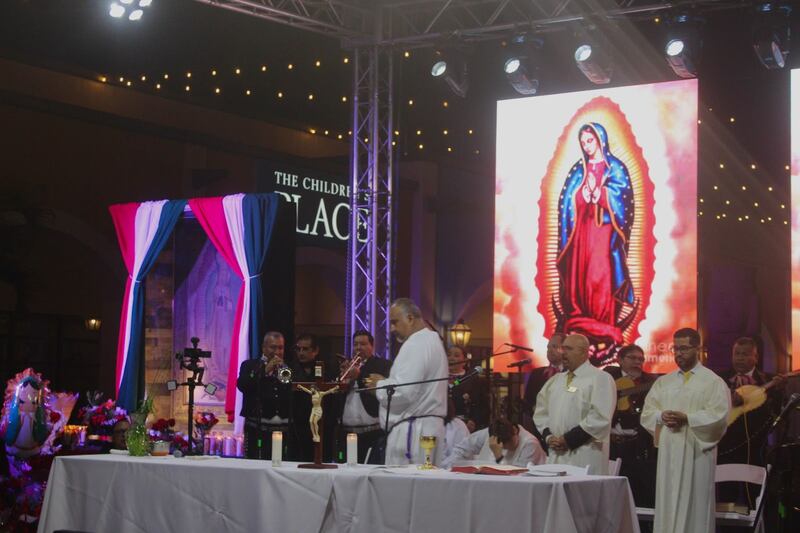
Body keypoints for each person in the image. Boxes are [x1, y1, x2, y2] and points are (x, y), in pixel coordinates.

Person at [640, 327, 730, 533]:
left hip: (696, 453)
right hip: (669, 451)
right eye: (675, 348)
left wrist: (688, 418)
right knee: (667, 502)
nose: (679, 353)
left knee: (696, 506)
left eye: (684, 348)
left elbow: (719, 417)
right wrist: (661, 417)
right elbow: (647, 413)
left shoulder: (713, 382)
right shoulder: (664, 382)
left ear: (697, 348)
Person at [556, 123, 634, 355]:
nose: (587, 146)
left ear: (600, 140)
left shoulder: (616, 168)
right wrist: (582, 195)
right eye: (583, 142)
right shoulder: (577, 170)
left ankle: (601, 321)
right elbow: (566, 200)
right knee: (579, 276)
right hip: (581, 232)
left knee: (600, 276)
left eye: (590, 141)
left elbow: (624, 198)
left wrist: (601, 194)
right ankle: (580, 319)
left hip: (605, 233)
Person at [365, 298, 448, 466]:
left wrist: (379, 386)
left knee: (404, 489)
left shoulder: (416, 343)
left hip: (414, 432)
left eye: (395, 322)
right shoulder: (432, 341)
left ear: (410, 318)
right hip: (427, 427)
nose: (392, 329)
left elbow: (405, 391)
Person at [716, 337, 785, 509]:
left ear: (756, 357)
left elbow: (776, 414)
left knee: (754, 499)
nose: (739, 358)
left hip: (756, 449)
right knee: (725, 500)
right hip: (726, 448)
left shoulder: (768, 381)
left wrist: (778, 391)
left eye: (745, 354)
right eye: (736, 354)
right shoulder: (719, 379)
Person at [533, 333, 616, 474]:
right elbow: (541, 412)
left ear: (584, 352)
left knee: (583, 495)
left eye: (569, 349)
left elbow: (600, 417)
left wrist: (568, 440)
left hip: (584, 454)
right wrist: (549, 437)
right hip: (556, 455)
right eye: (563, 348)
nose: (563, 353)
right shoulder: (555, 380)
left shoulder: (600, 378)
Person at [604, 344, 658, 508]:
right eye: (632, 358)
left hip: (637, 446)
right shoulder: (608, 376)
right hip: (611, 445)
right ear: (620, 360)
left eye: (641, 359)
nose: (637, 362)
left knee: (640, 493)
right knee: (611, 494)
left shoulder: (650, 382)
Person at [338, 329, 392, 464]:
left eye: (362, 344)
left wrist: (359, 376)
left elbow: (377, 389)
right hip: (347, 432)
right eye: (355, 344)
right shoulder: (346, 365)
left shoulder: (382, 365)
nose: (358, 348)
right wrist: (343, 381)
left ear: (372, 346)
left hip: (372, 432)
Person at [236, 331, 292, 460]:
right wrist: (264, 371)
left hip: (282, 428)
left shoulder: (287, 367)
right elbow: (243, 385)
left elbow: (289, 389)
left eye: (280, 347)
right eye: (273, 347)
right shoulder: (249, 365)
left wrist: (282, 370)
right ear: (263, 348)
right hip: (257, 428)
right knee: (255, 462)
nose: (277, 351)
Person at [289, 333, 340, 462]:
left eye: (305, 349)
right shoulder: (291, 369)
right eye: (298, 349)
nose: (301, 353)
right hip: (298, 426)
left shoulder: (327, 369)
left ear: (315, 350)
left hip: (323, 425)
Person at [442, 418, 546, 469]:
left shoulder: (530, 444)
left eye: (508, 442)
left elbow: (518, 478)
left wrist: (499, 456)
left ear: (515, 430)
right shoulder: (490, 433)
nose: (505, 447)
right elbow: (462, 448)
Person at [522, 333, 565, 439]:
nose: (549, 350)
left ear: (565, 349)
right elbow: (528, 399)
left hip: (563, 427)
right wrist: (534, 408)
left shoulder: (570, 373)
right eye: (548, 347)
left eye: (554, 347)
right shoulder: (537, 373)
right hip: (539, 428)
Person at [447, 345, 489, 432]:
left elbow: (482, 405)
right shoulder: (438, 377)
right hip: (442, 424)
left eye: (456, 355)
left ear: (465, 361)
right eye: (449, 355)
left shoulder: (472, 379)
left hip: (466, 425)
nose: (451, 358)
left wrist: (474, 421)